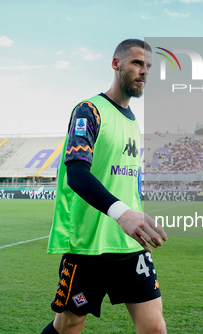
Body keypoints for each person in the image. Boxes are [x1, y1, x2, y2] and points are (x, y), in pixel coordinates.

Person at [41, 39, 168, 334]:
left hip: (131, 244)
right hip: (89, 246)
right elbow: (77, 174)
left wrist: (132, 216)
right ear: (116, 64)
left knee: (154, 329)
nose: (144, 71)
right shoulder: (89, 111)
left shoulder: (133, 121)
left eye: (148, 66)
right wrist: (123, 213)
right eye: (137, 63)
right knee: (70, 324)